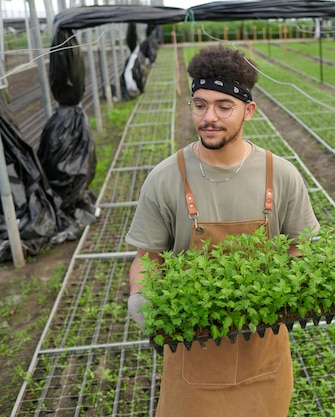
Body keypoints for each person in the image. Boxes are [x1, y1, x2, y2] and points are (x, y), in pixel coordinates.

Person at [125, 45, 319, 417]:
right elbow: (147, 258)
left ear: (248, 110)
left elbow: (300, 247)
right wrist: (141, 293)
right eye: (199, 104)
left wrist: (297, 284)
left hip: (263, 353)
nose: (208, 117)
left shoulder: (281, 175)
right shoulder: (165, 178)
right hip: (191, 355)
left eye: (223, 106)